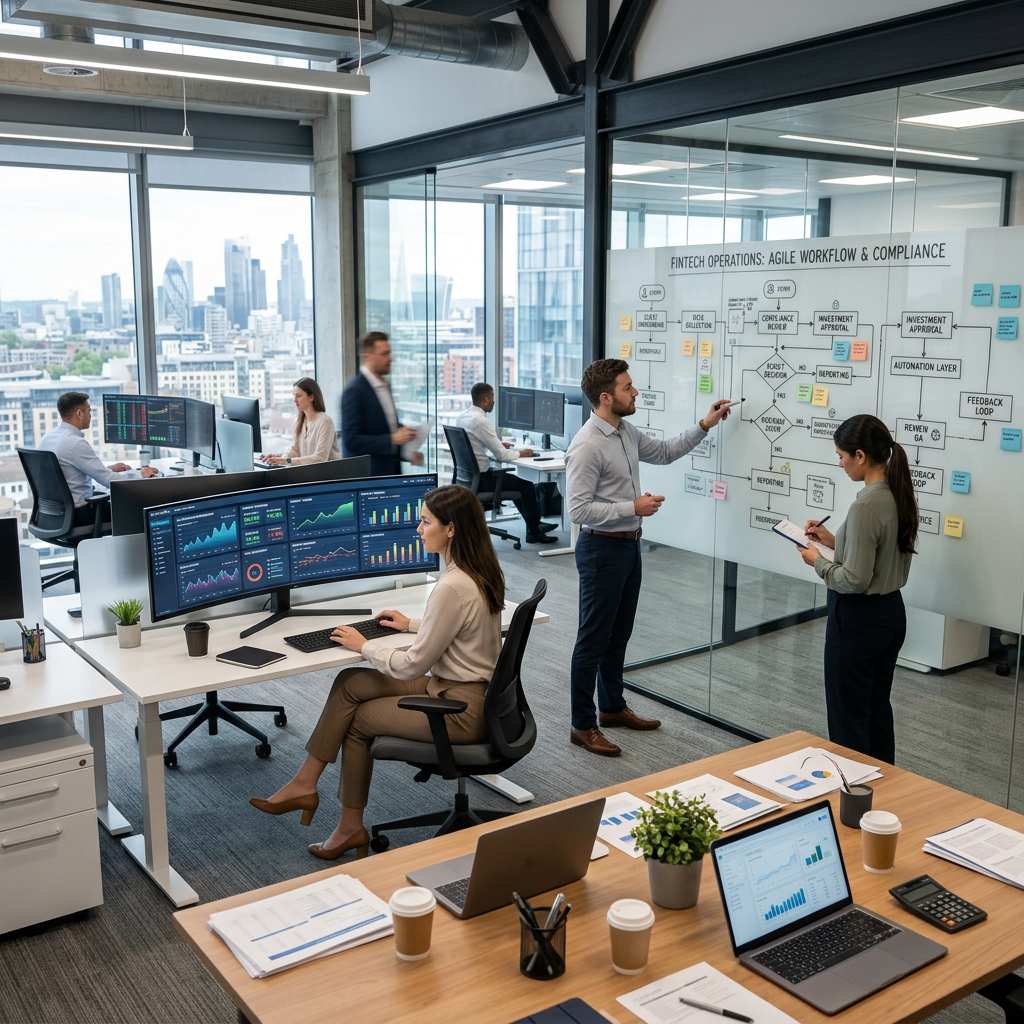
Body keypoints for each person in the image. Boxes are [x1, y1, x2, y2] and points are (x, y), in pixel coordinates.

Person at [249, 484, 503, 859]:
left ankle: (349, 828)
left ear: (451, 529)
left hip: (460, 709)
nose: (417, 530)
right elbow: (460, 624)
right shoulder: (475, 570)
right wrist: (411, 623)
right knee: (353, 682)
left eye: (425, 522)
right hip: (468, 692)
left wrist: (362, 644)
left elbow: (412, 665)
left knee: (360, 720)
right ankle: (304, 782)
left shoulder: (451, 586)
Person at [566, 359, 732, 757]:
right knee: (593, 639)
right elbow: (578, 510)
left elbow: (665, 451)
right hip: (600, 549)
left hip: (627, 546)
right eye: (627, 388)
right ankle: (582, 725)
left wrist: (704, 425)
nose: (635, 392)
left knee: (618, 634)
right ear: (606, 398)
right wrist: (631, 507)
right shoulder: (587, 445)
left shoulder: (624, 430)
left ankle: (612, 708)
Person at [797, 414, 916, 765]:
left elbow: (854, 579)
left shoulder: (865, 504)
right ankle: (885, 792)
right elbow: (874, 556)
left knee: (848, 718)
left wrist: (816, 561)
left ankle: (856, 805)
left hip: (859, 619)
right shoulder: (897, 492)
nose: (840, 463)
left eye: (841, 455)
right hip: (890, 615)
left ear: (860, 456)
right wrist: (832, 541)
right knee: (876, 710)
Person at [456, 382, 558, 544]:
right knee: (527, 486)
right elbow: (503, 456)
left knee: (517, 484)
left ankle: (534, 527)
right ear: (486, 400)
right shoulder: (481, 421)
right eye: (493, 399)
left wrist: (496, 443)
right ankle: (534, 530)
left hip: (469, 478)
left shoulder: (463, 418)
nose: (494, 402)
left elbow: (473, 445)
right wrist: (521, 453)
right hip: (484, 480)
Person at [37, 391, 158, 526]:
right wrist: (141, 474)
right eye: (89, 411)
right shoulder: (75, 443)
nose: (90, 415)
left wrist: (105, 469)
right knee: (141, 508)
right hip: (80, 515)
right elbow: (111, 482)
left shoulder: (48, 438)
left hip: (54, 515)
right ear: (79, 414)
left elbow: (68, 475)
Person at [341, 331, 424, 475]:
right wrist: (392, 439)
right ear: (368, 357)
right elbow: (351, 440)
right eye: (384, 354)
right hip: (368, 478)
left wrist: (407, 451)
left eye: (390, 353)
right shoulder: (355, 390)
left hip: (389, 474)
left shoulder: (385, 386)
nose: (390, 358)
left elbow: (385, 429)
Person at [260, 377, 340, 466]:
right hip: (308, 473)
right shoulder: (300, 421)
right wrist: (279, 459)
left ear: (312, 397)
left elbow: (320, 458)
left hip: (327, 476)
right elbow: (295, 449)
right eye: (294, 395)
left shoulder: (325, 422)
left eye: (298, 396)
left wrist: (287, 461)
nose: (294, 400)